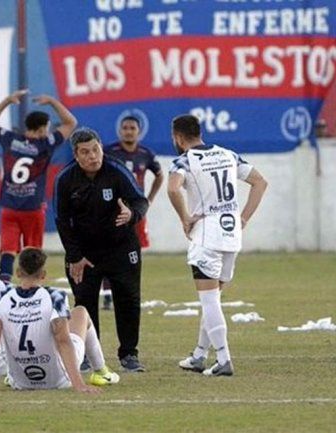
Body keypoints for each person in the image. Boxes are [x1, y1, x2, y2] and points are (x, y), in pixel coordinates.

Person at [167, 114, 268, 376]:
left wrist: (185, 218)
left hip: (206, 234)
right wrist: (244, 217)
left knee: (209, 299)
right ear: (199, 132)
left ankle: (223, 359)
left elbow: (172, 189)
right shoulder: (228, 155)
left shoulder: (184, 160)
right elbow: (260, 182)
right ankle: (200, 355)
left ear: (177, 137)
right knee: (213, 298)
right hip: (231, 232)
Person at [0, 248, 117, 396]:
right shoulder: (55, 296)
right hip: (58, 380)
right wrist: (79, 385)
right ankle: (100, 371)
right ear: (43, 275)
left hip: (20, 381)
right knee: (81, 312)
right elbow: (63, 342)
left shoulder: (0, 298)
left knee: (5, 329)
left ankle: (12, 373)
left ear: (18, 273)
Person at [53, 127, 150, 372]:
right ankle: (85, 355)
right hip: (85, 253)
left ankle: (129, 354)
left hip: (122, 247)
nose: (93, 156)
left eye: (95, 149)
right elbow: (62, 221)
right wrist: (75, 256)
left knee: (128, 299)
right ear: (76, 155)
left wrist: (132, 214)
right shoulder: (65, 179)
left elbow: (141, 200)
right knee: (84, 304)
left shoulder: (116, 170)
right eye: (85, 152)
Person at [0, 90, 77, 282]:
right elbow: (71, 123)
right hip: (33, 208)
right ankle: (32, 289)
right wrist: (52, 101)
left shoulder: (10, 139)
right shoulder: (45, 144)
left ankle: (4, 288)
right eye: (47, 128)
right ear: (42, 129)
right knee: (33, 251)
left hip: (9, 207)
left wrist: (7, 101)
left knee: (8, 250)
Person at [100, 116, 164, 310]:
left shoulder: (146, 154)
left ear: (138, 131)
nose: (129, 131)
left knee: (133, 252)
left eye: (132, 128)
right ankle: (108, 296)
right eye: (125, 128)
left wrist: (149, 199)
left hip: (136, 211)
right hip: (113, 210)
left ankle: (130, 292)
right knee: (109, 252)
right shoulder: (109, 152)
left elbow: (160, 175)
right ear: (120, 131)